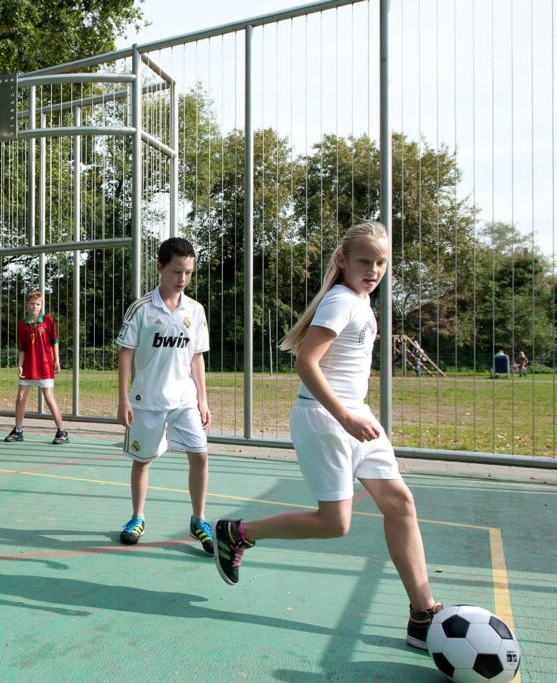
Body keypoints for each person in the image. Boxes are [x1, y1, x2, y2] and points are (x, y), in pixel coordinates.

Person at [212, 221, 443, 649]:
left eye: (381, 262)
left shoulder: (360, 301)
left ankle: (422, 614)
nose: (374, 269)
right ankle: (238, 533)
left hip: (356, 417)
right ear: (342, 260)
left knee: (400, 502)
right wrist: (344, 418)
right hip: (325, 419)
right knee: (334, 524)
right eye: (365, 261)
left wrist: (354, 416)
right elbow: (306, 362)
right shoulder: (340, 301)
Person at [115, 237, 214, 555]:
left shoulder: (195, 311)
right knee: (143, 462)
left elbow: (197, 356)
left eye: (187, 272)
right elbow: (125, 353)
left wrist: (202, 399)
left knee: (200, 455)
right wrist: (123, 398)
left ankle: (199, 520)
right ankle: (137, 518)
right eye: (176, 271)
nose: (182, 279)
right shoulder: (142, 308)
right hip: (148, 401)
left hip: (184, 400)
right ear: (160, 267)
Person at [3, 290, 68, 445]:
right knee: (20, 397)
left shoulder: (48, 321)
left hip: (45, 365)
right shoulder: (22, 324)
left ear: (41, 305)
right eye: (32, 304)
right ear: (27, 305)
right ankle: (18, 430)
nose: (35, 307)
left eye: (38, 304)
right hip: (28, 366)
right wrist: (19, 365)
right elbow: (22, 348)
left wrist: (57, 361)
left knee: (49, 397)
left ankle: (62, 432)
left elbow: (54, 342)